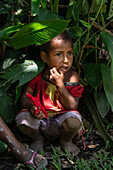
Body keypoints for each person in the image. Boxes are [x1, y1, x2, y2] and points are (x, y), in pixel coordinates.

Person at [15, 30, 84, 155]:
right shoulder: (38, 75)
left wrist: (60, 85)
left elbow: (73, 106)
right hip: (40, 120)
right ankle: (37, 138)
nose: (66, 60)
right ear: (44, 57)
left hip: (61, 120)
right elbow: (25, 97)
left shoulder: (72, 77)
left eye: (69, 53)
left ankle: (65, 140)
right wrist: (32, 107)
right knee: (22, 119)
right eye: (59, 54)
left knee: (74, 121)